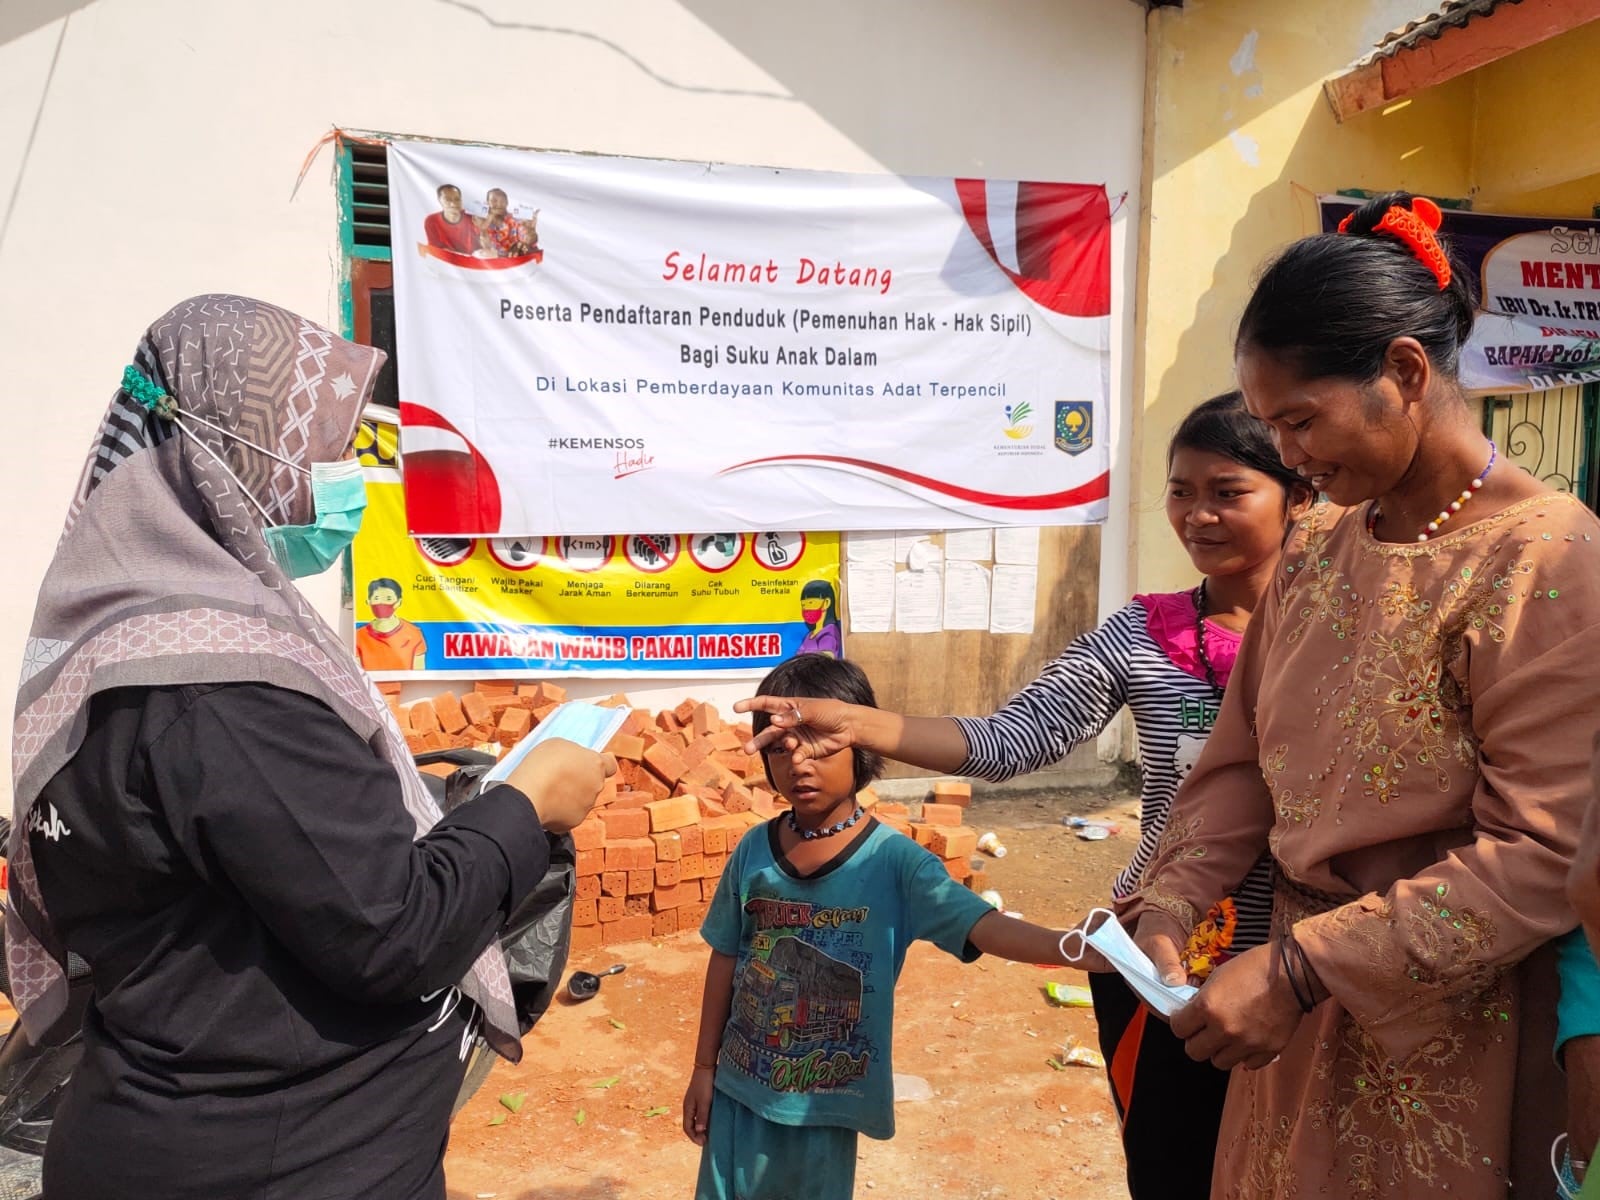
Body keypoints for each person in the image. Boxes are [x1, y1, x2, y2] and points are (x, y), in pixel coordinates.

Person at [9, 295, 613, 1200]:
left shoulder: (121, 645)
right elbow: (396, 935)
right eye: (325, 451)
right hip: (277, 1163)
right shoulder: (221, 687)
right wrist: (528, 806)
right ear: (241, 454)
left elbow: (264, 864)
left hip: (182, 1125)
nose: (347, 480)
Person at [1112, 193, 1600, 1196]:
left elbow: (1545, 851)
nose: (1286, 456)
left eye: (1298, 420)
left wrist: (1302, 969)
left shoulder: (1548, 562)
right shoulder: (1321, 545)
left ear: (1404, 375)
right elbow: (1242, 759)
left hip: (1446, 1035)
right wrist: (1168, 902)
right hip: (1286, 1023)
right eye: (1268, 425)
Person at [736, 392, 1312, 1197]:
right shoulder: (1142, 633)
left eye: (1227, 492)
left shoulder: (1340, 636)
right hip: (1157, 962)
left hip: (1304, 964)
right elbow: (1017, 738)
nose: (1197, 516)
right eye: (1180, 492)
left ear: (1301, 496)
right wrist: (860, 722)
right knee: (1175, 1174)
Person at [682, 654, 1088, 1200]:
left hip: (824, 1107)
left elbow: (983, 926)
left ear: (862, 746)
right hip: (736, 1090)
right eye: (780, 747)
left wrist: (1078, 947)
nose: (799, 764)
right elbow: (726, 956)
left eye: (820, 745)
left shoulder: (897, 863)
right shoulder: (754, 851)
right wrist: (704, 1068)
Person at [356, 576, 428, 670]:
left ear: (398, 602)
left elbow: (419, 673)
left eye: (388, 599)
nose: (382, 603)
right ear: (368, 601)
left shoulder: (414, 633)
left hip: (406, 684)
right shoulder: (359, 636)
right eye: (377, 598)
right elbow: (357, 673)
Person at [476, 188, 537, 259]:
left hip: (512, 259)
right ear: (487, 203)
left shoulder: (516, 220)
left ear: (507, 202)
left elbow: (530, 241)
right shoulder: (482, 220)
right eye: (494, 201)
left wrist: (532, 230)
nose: (499, 204)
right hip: (489, 259)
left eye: (502, 201)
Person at [423, 182, 481, 256]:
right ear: (439, 200)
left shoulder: (472, 215)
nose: (453, 204)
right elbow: (435, 250)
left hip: (473, 260)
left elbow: (494, 211)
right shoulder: (431, 220)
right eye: (448, 200)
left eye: (457, 199)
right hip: (448, 261)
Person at [795, 578, 842, 658]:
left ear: (826, 603)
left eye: (810, 603)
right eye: (803, 605)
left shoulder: (829, 633)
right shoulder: (810, 634)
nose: (806, 609)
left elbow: (825, 662)